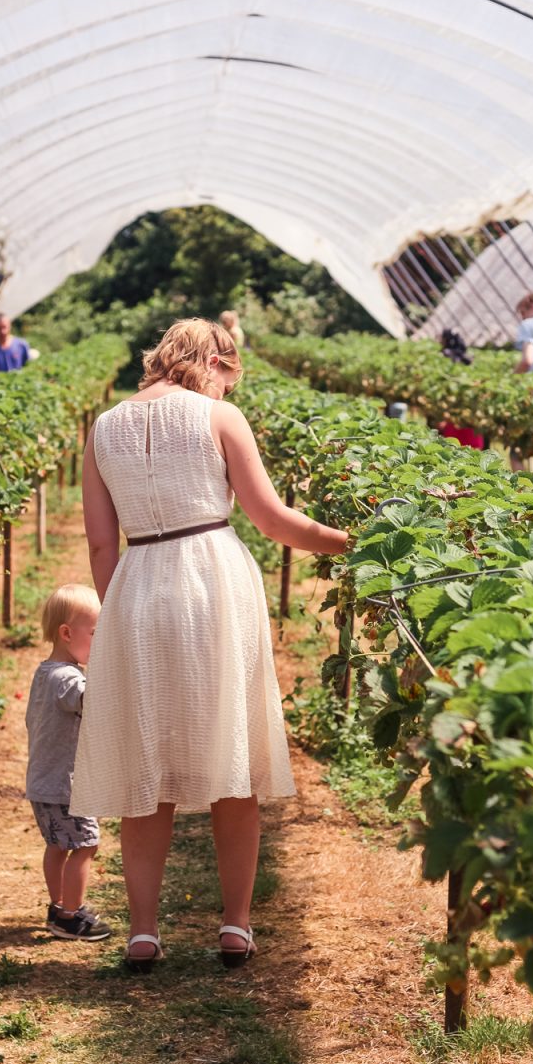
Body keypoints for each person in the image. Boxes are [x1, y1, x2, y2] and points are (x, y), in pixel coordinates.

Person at [69, 318, 347, 972]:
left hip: (139, 582)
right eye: (231, 373)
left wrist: (123, 611)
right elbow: (272, 519)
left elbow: (102, 544)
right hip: (213, 577)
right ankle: (236, 925)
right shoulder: (220, 419)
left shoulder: (104, 428)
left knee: (147, 766)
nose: (230, 385)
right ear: (215, 360)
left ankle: (143, 932)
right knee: (234, 756)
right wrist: (352, 544)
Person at [25, 584, 112, 942]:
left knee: (58, 845)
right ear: (66, 633)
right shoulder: (67, 679)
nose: (100, 641)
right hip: (67, 786)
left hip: (45, 782)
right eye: (95, 633)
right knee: (85, 845)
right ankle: (71, 917)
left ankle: (59, 906)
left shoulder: (46, 672)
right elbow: (94, 700)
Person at [0, 312, 31, 384]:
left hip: (20, 387)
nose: (2, 331)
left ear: (10, 325)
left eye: (4, 327)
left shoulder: (22, 345)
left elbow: (29, 367)